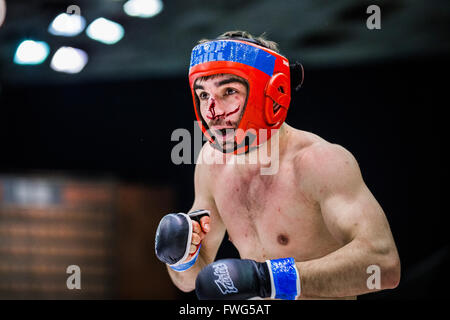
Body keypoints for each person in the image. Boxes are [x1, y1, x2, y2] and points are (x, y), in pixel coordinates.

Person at [155, 30, 400, 300]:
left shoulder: (319, 161)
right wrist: (181, 259)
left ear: (271, 94)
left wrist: (266, 278)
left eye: (229, 91)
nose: (213, 110)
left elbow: (384, 265)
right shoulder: (210, 162)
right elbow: (189, 282)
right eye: (203, 95)